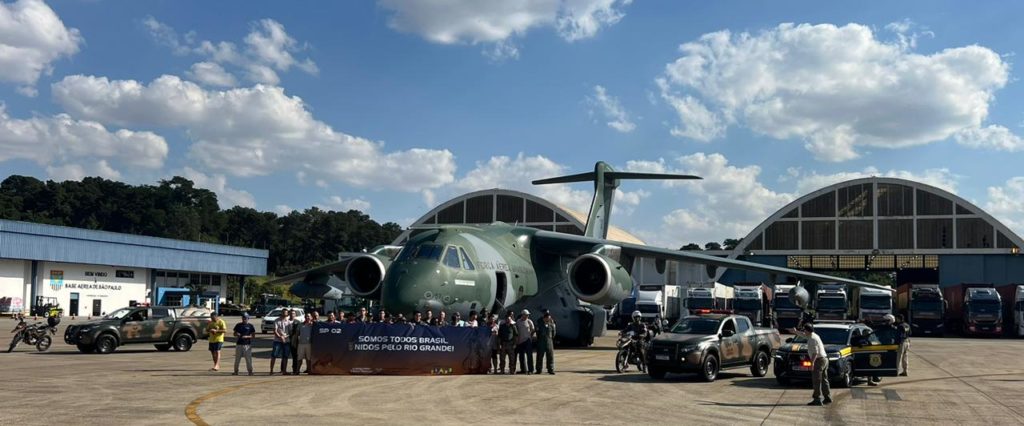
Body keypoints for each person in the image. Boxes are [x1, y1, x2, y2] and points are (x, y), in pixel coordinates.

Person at [791, 323, 831, 406]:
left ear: (807, 330)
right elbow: (803, 335)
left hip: (819, 361)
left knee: (817, 380)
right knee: (824, 380)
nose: (803, 331)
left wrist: (812, 363)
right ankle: (827, 398)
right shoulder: (813, 335)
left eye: (804, 330)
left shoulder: (812, 339)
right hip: (824, 359)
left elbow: (815, 353)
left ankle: (817, 399)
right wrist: (795, 332)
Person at [270, 309, 292, 375]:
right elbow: (275, 330)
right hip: (277, 341)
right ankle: (271, 370)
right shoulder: (277, 320)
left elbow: (290, 332)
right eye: (283, 312)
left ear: (287, 314)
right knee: (274, 355)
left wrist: (285, 336)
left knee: (285, 356)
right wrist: (280, 337)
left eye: (286, 313)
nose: (285, 314)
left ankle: (284, 371)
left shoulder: (289, 322)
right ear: (281, 313)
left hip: (286, 341)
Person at [515, 309, 536, 374]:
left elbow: (533, 330)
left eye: (528, 315)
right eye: (526, 315)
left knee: (529, 356)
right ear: (522, 315)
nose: (527, 316)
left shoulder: (529, 321)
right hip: (520, 341)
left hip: (527, 340)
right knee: (521, 356)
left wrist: (530, 337)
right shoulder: (518, 321)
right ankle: (523, 369)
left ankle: (531, 370)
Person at [289, 310, 303, 374]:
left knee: (295, 356)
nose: (292, 314)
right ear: (289, 314)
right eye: (291, 313)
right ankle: (283, 369)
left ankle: (295, 369)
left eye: (293, 313)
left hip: (294, 340)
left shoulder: (298, 322)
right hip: (286, 340)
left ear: (295, 315)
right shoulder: (286, 321)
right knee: (285, 355)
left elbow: (299, 332)